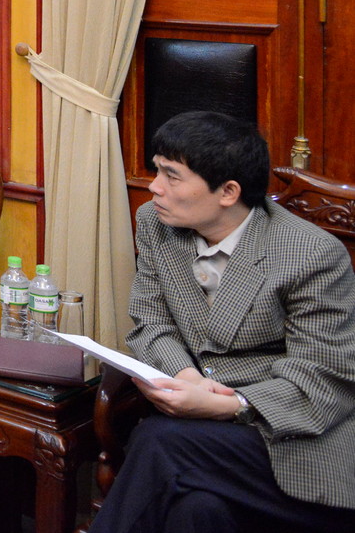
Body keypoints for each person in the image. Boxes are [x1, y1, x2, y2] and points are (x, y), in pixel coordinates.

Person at [89, 111, 355, 533]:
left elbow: (323, 375)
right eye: (157, 169)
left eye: (172, 176)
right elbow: (151, 321)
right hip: (200, 442)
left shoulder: (311, 254)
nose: (154, 187)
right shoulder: (156, 226)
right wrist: (185, 376)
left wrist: (229, 405)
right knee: (197, 511)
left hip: (288, 440)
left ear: (228, 192)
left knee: (158, 441)